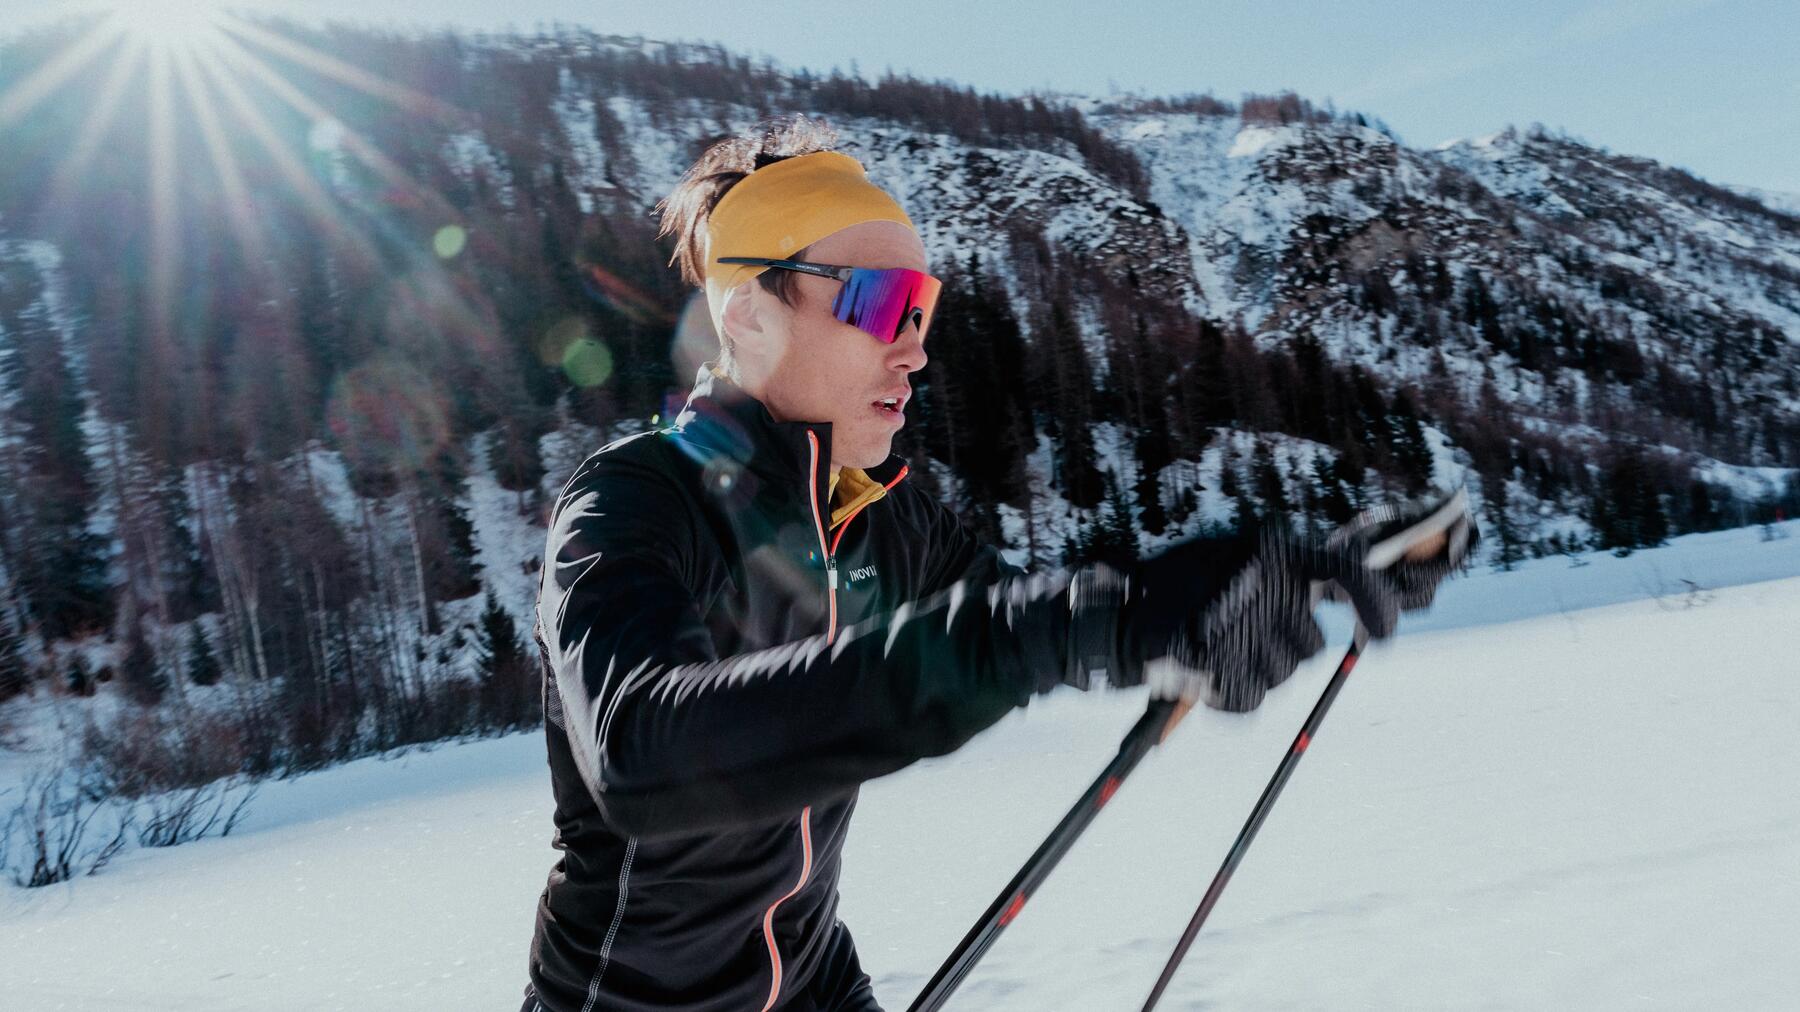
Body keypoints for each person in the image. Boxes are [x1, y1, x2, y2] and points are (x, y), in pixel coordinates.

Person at [522, 115, 1474, 1012]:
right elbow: (643, 754)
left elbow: (1045, 610)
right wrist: (1070, 626)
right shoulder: (634, 501)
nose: (913, 351)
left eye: (923, 310)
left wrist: (1278, 574)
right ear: (748, 318)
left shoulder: (887, 518)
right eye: (879, 303)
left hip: (813, 983)